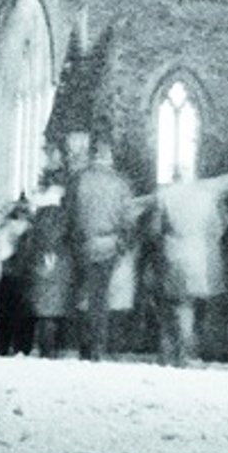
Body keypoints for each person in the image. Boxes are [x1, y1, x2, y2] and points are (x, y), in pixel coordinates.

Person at [65, 133, 134, 360]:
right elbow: (127, 218)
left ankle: (84, 343)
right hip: (108, 245)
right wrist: (123, 243)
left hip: (83, 244)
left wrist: (74, 239)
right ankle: (98, 345)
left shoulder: (78, 180)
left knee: (82, 292)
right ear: (110, 156)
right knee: (100, 295)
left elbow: (69, 213)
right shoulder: (120, 183)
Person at [155, 178, 227, 366]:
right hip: (200, 256)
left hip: (173, 255)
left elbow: (155, 229)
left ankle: (172, 351)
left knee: (177, 304)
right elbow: (217, 228)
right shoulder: (207, 197)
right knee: (194, 305)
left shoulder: (165, 197)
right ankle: (189, 351)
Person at [24, 180, 71, 357]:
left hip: (41, 263)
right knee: (55, 310)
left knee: (44, 312)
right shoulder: (65, 217)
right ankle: (53, 350)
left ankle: (45, 349)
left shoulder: (38, 218)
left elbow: (30, 243)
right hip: (60, 263)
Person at [0, 194, 36, 356]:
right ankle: (23, 346)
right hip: (25, 275)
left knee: (3, 312)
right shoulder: (32, 230)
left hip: (6, 275)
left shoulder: (4, 228)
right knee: (24, 313)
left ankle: (3, 346)